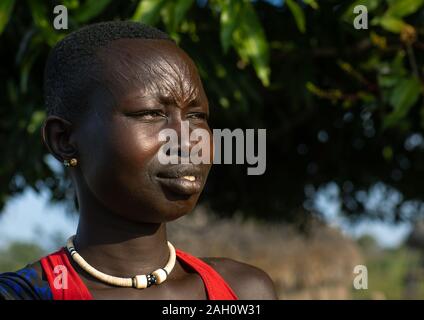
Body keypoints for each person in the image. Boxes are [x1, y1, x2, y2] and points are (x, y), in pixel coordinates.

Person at [0, 21, 278, 300]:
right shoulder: (26, 295)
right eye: (151, 113)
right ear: (63, 139)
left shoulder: (242, 291)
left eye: (197, 117)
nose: (187, 141)